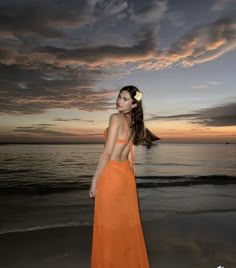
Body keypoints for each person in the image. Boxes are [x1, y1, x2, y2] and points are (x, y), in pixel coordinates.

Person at [89, 85, 150, 268]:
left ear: (133, 104)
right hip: (126, 175)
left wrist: (94, 179)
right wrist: (132, 178)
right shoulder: (134, 123)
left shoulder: (115, 118)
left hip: (112, 173)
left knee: (108, 224)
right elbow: (130, 155)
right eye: (119, 97)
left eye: (125, 99)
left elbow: (107, 154)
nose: (119, 101)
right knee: (124, 224)